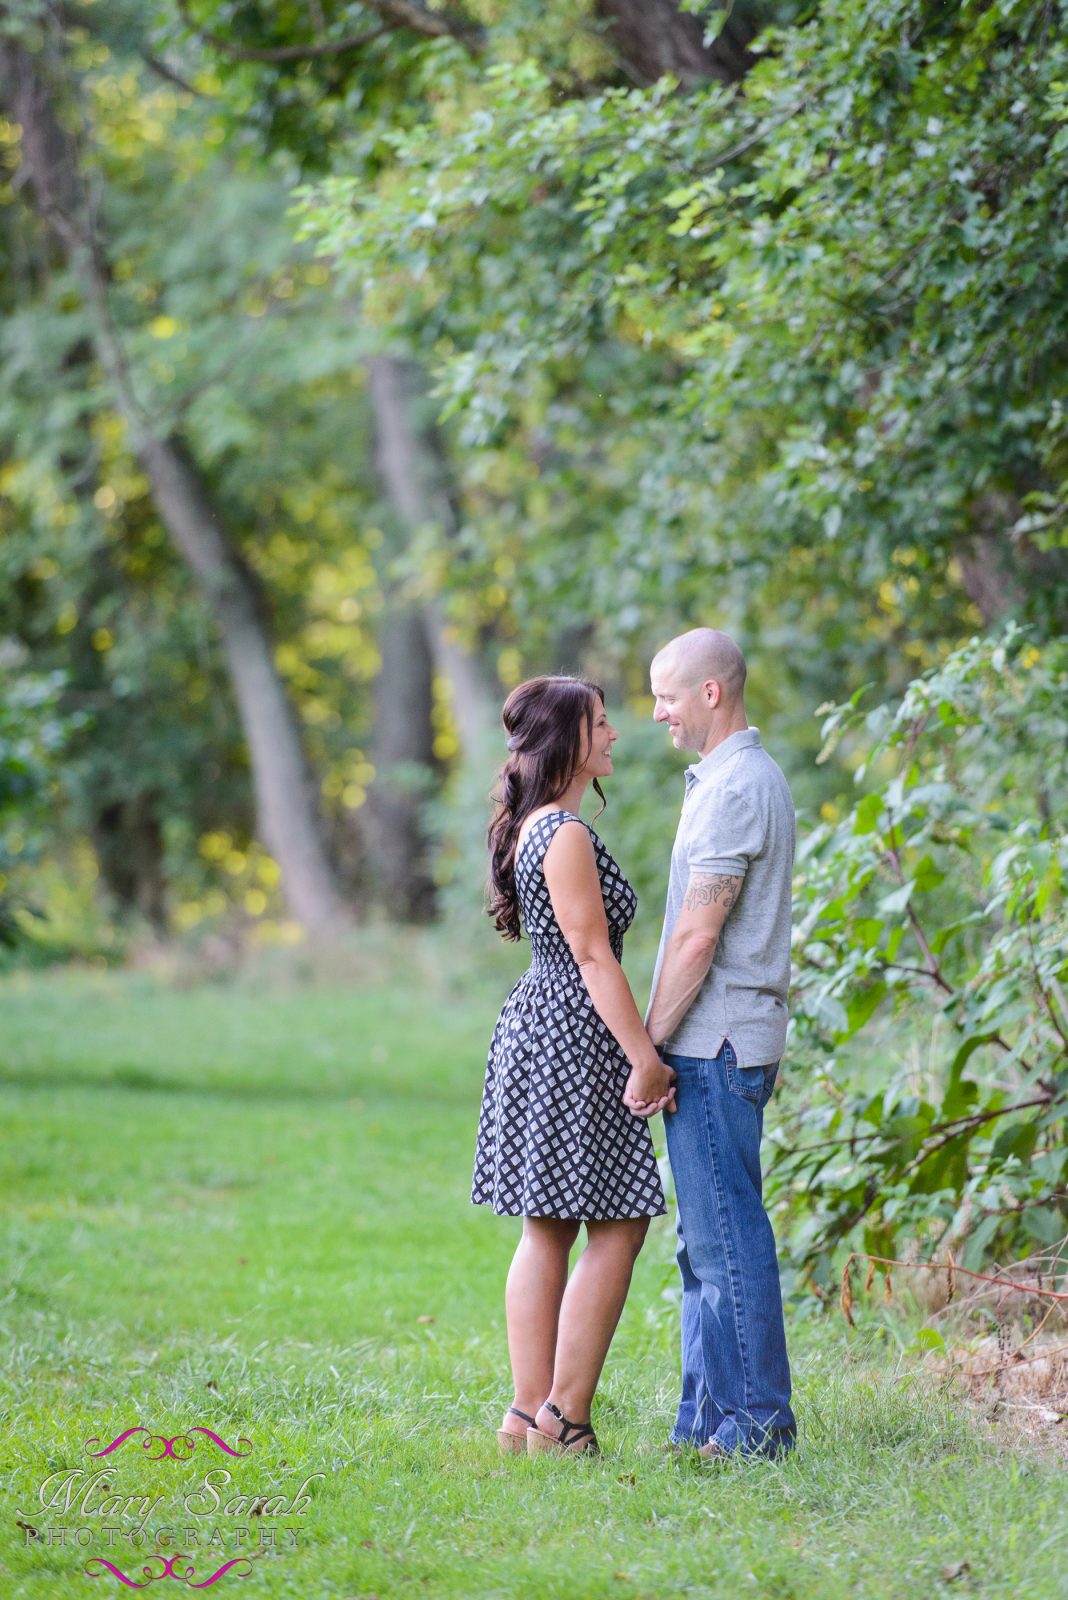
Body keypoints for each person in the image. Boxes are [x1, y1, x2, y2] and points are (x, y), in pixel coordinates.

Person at [472, 674, 676, 1457]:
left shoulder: (534, 828)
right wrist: (645, 1059)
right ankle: (565, 1416)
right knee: (619, 1225)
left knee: (549, 1226)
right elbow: (592, 954)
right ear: (568, 740)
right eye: (600, 722)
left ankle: (528, 1415)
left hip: (539, 1024)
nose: (615, 733)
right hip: (573, 1033)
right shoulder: (566, 835)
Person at [634, 627, 797, 1460]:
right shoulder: (721, 780)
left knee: (727, 1238)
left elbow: (698, 935)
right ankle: (705, 1421)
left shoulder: (737, 786)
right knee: (704, 1243)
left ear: (709, 693)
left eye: (666, 693)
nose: (655, 710)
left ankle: (759, 1427)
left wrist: (648, 1047)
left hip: (716, 1041)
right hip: (716, 1038)